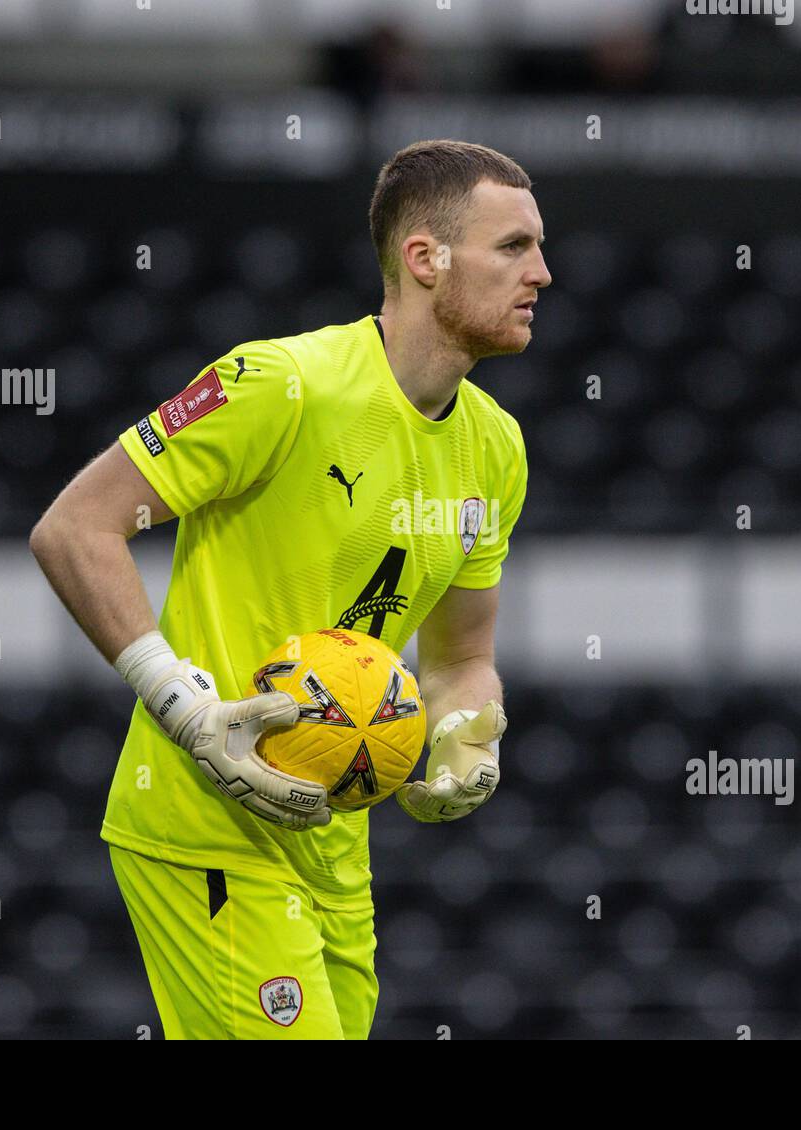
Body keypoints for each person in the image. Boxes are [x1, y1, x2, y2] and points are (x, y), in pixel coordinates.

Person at [29, 138, 551, 1039]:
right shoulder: (281, 384)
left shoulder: (497, 448)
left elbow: (462, 655)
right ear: (425, 258)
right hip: (204, 827)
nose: (543, 272)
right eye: (514, 247)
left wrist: (469, 731)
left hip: (333, 839)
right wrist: (185, 708)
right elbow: (75, 527)